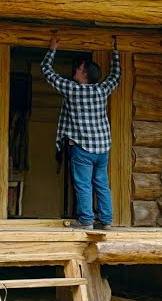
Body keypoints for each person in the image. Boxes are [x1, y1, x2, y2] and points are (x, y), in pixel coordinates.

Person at [42, 35, 122, 229]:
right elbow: (116, 76)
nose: (75, 70)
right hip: (103, 148)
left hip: (83, 148)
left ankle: (86, 220)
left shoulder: (71, 89)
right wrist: (116, 53)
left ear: (84, 74)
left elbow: (47, 71)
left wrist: (52, 48)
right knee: (101, 184)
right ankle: (106, 220)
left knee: (84, 184)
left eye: (78, 69)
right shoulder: (102, 89)